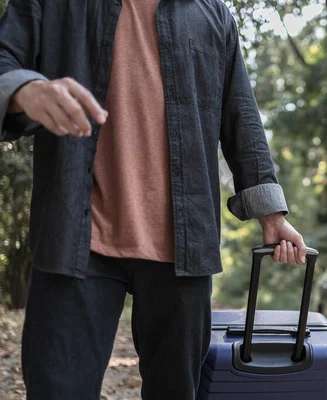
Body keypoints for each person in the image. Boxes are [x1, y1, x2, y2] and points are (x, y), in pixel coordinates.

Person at [0, 0, 307, 398]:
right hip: (74, 237)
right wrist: (27, 89)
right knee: (58, 389)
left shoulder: (211, 13)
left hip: (184, 244)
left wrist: (271, 213)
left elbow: (241, 117)